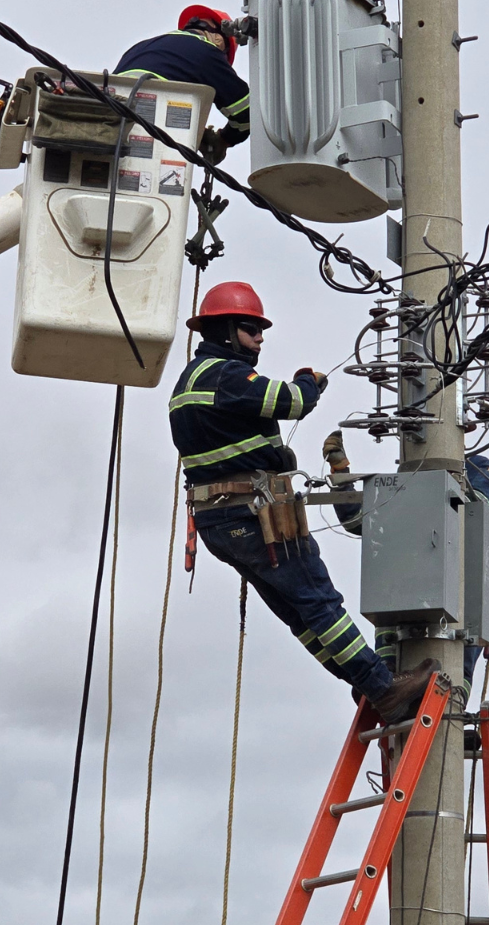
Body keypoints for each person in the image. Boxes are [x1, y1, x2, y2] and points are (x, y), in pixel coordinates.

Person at [169, 281, 439, 725]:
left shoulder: (188, 383)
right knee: (319, 603)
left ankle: (367, 683)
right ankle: (382, 687)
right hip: (253, 516)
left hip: (219, 521)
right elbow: (292, 403)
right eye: (252, 329)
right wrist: (306, 382)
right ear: (225, 330)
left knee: (299, 614)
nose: (259, 338)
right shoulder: (226, 375)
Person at [323, 432, 489, 705]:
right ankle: (383, 683)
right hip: (399, 619)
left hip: (457, 620)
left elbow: (477, 509)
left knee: (459, 650)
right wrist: (341, 473)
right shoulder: (402, 487)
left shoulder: (478, 467)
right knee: (388, 658)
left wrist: (438, 491)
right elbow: (357, 521)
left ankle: (452, 702)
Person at [115, 5, 250, 164]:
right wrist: (223, 139)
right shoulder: (206, 52)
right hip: (153, 139)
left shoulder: (138, 48)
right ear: (220, 39)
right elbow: (246, 113)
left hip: (114, 128)